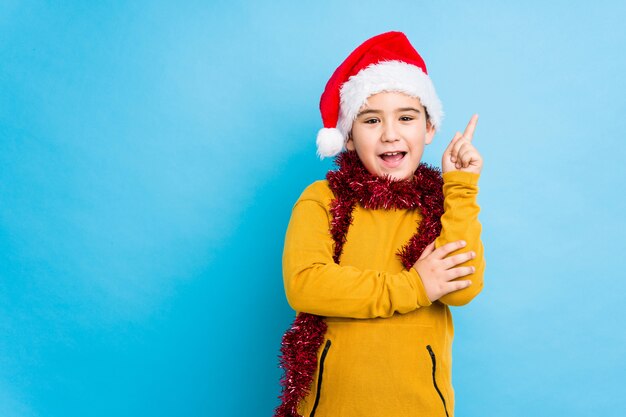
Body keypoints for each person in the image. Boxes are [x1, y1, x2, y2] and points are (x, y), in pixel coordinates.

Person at [275, 31, 485, 417]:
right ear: (349, 137)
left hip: (420, 407)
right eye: (371, 120)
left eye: (406, 117)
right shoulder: (322, 200)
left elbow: (461, 289)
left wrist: (461, 188)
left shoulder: (444, 204)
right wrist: (414, 286)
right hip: (332, 407)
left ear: (429, 129)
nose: (390, 133)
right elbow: (306, 284)